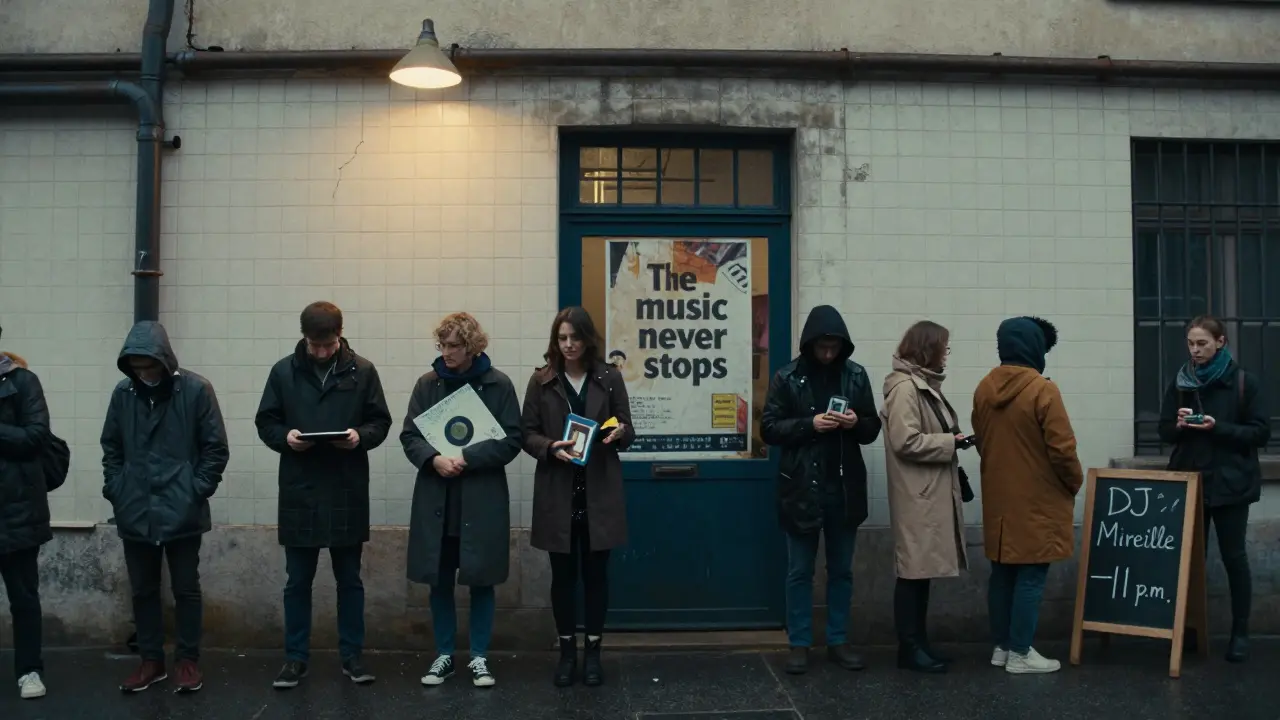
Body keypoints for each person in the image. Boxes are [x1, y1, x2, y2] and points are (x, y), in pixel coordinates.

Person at [255, 302, 392, 689]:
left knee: (349, 579)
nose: (320, 352)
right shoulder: (284, 371)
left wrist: (359, 438)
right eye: (314, 346)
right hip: (300, 488)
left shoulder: (362, 370)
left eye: (327, 345)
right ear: (303, 338)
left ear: (340, 336)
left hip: (347, 486)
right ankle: (295, 659)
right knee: (297, 581)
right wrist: (285, 439)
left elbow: (380, 421)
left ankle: (352, 656)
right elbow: (266, 420)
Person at [101, 321, 230, 693]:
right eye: (137, 368)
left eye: (150, 366)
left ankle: (187, 662)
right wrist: (117, 488)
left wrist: (196, 489)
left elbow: (215, 447)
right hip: (135, 508)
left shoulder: (195, 389)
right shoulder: (123, 394)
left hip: (182, 507)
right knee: (143, 589)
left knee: (186, 589)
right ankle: (151, 661)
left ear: (164, 359)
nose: (145, 374)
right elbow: (112, 446)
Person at [401, 313, 522, 688]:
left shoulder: (498, 385)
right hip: (439, 497)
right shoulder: (428, 384)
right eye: (443, 345)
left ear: (472, 347)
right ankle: (444, 655)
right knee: (439, 580)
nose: (447, 353)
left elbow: (511, 439)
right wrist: (434, 459)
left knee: (481, 579)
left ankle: (480, 657)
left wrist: (469, 457)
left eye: (455, 346)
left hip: (480, 499)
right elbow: (410, 435)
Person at [761, 304, 882, 675]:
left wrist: (853, 423)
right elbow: (768, 429)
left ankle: (838, 640)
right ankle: (799, 643)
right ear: (810, 344)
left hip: (843, 489)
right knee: (800, 571)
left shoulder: (856, 376)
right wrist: (810, 424)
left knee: (842, 570)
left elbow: (872, 428)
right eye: (822, 348)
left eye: (834, 348)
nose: (828, 354)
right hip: (801, 488)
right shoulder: (787, 376)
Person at [521, 307, 633, 688]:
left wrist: (620, 434)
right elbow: (526, 434)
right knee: (563, 578)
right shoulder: (542, 381)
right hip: (559, 492)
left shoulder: (609, 376)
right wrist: (551, 447)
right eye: (562, 338)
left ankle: (594, 654)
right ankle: (568, 653)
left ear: (588, 339)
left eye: (574, 337)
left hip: (599, 490)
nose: (568, 345)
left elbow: (626, 425)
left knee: (597, 577)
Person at [971, 316, 1082, 675]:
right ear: (1035, 347)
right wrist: (1074, 483)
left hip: (999, 500)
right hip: (1038, 501)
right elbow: (1062, 449)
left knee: (1002, 575)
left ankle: (1002, 648)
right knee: (1031, 576)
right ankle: (1021, 652)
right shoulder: (1042, 390)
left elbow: (982, 439)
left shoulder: (984, 388)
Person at [1158, 316, 1270, 663]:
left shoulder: (1242, 383)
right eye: (1191, 343)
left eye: (1202, 343)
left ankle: (1240, 633)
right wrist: (1178, 426)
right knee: (1190, 562)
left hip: (1231, 484)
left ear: (1220, 342)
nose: (1195, 350)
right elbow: (1164, 431)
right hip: (1191, 482)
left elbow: (1260, 433)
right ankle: (1189, 631)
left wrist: (1217, 427)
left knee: (1234, 558)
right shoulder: (1181, 382)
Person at [881, 320, 972, 674]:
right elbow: (905, 440)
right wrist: (952, 443)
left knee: (921, 574)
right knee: (912, 574)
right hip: (917, 494)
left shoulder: (918, 385)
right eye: (943, 348)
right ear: (927, 349)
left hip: (925, 491)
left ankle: (919, 644)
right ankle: (910, 648)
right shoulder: (906, 389)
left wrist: (954, 439)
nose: (947, 355)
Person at [0, 331, 53, 700]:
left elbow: (36, 436)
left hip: (16, 508)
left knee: (23, 596)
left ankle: (30, 671)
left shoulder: (22, 382)